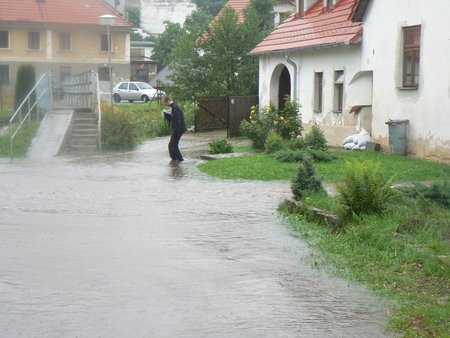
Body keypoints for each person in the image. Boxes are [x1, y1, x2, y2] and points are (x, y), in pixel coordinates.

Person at [164, 96, 186, 162]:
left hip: (178, 129)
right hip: (179, 129)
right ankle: (175, 159)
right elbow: (175, 118)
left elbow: (177, 120)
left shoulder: (174, 108)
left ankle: (179, 159)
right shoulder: (174, 107)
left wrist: (177, 130)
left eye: (165, 103)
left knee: (173, 145)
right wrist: (169, 116)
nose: (166, 105)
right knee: (172, 145)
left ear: (168, 101)